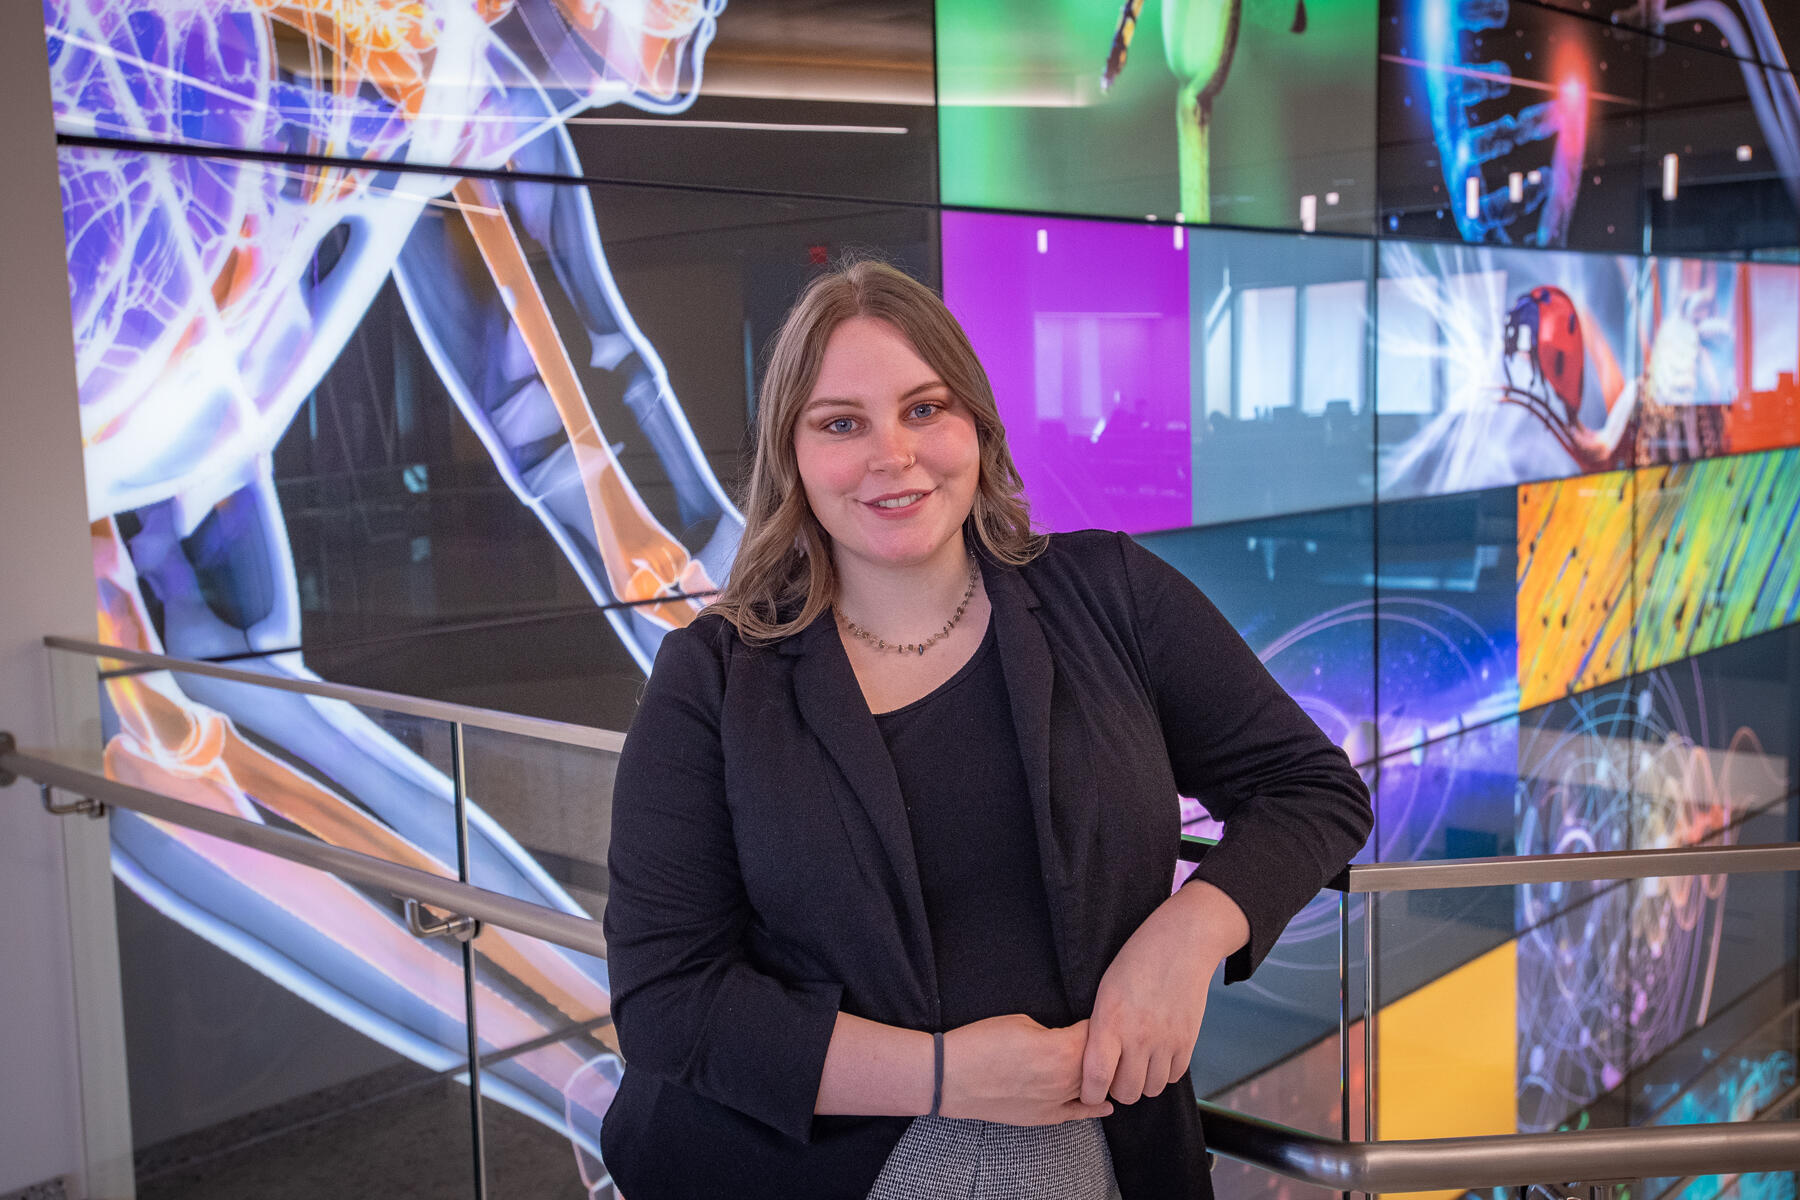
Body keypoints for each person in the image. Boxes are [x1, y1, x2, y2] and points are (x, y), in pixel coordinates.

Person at [600, 260, 1373, 1199]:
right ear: (793, 456)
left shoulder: (1108, 594)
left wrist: (1186, 938)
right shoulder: (714, 676)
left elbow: (1313, 788)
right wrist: (947, 1076)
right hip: (795, 1167)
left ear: (976, 425)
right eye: (842, 423)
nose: (894, 455)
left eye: (925, 409)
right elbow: (668, 1002)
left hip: (1088, 1158)